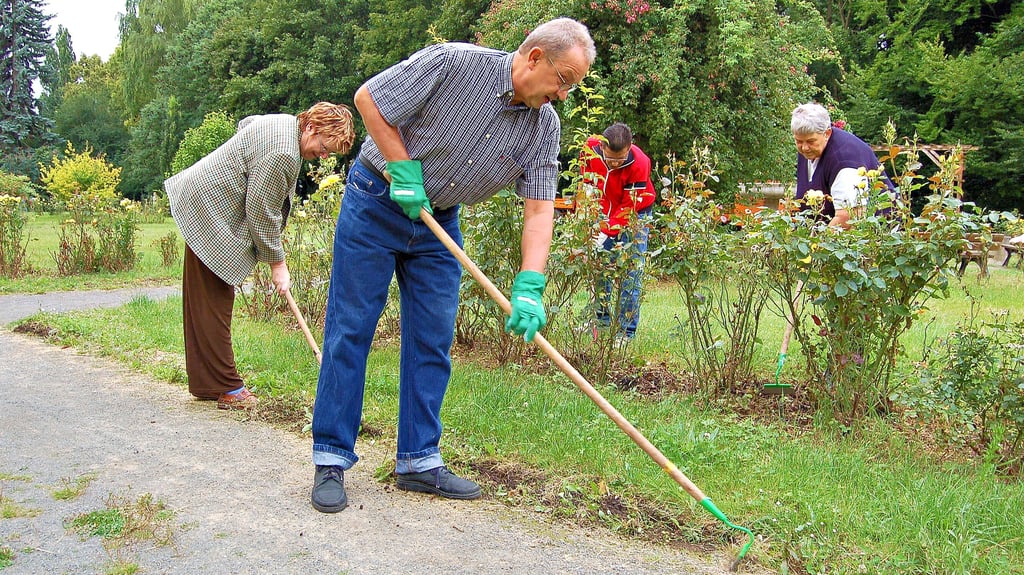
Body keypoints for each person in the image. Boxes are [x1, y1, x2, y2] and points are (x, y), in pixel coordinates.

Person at [310, 18, 596, 513]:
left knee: (432, 338)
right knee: (351, 329)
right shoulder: (452, 64)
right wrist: (401, 167)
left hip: (439, 222)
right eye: (564, 79)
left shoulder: (544, 128)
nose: (564, 94)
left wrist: (530, 282)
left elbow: (539, 209)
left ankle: (418, 461)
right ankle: (331, 457)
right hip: (376, 201)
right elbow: (369, 99)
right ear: (534, 59)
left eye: (573, 85)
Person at [165, 102, 355, 410]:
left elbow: (246, 124)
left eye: (328, 152)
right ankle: (226, 387)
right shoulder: (284, 153)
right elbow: (261, 211)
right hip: (210, 208)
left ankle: (206, 383)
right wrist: (277, 263)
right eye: (323, 146)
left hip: (203, 199)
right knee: (215, 297)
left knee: (204, 298)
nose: (323, 155)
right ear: (310, 127)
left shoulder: (284, 123)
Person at [580, 122, 656, 344]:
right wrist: (588, 222)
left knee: (631, 272)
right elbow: (587, 187)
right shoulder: (589, 150)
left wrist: (606, 232)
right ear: (602, 147)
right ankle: (600, 321)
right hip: (602, 212)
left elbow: (628, 207)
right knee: (600, 267)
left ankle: (626, 332)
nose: (614, 164)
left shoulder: (640, 162)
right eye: (610, 158)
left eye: (619, 159)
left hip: (636, 214)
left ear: (630, 147)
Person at [791, 103, 896, 229]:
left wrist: (817, 247)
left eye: (811, 141)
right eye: (799, 141)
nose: (804, 147)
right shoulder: (809, 150)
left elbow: (848, 218)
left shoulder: (845, 160)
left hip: (877, 237)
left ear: (827, 133)